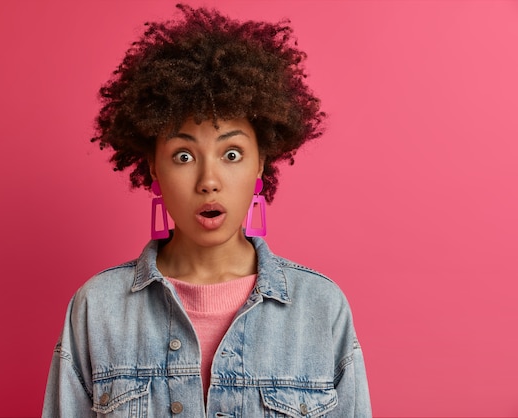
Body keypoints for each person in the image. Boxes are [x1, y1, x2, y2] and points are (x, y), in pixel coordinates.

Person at [43, 4, 371, 417]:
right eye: (183, 156)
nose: (208, 180)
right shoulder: (97, 309)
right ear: (152, 167)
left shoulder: (320, 309)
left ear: (260, 163)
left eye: (231, 153)